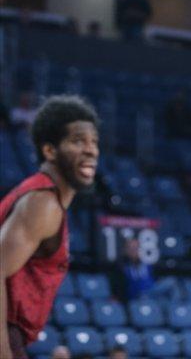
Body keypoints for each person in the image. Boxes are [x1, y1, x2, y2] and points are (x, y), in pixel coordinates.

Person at [1, 95, 100, 359]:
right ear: (50, 151)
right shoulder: (42, 203)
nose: (91, 150)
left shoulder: (41, 197)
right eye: (78, 141)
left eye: (94, 142)